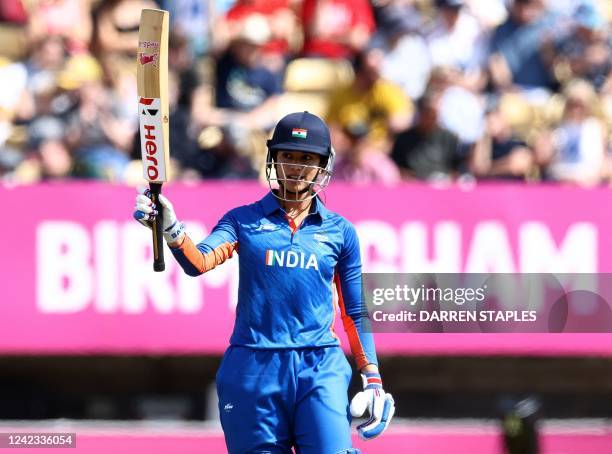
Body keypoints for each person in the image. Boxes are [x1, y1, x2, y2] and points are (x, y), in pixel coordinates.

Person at [133, 111, 395, 453]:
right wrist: (171, 229)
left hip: (319, 365)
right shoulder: (243, 220)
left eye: (307, 158)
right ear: (274, 159)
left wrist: (372, 377)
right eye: (288, 156)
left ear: (323, 165)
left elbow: (355, 311)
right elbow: (199, 262)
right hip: (253, 367)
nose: (297, 167)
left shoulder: (340, 232)